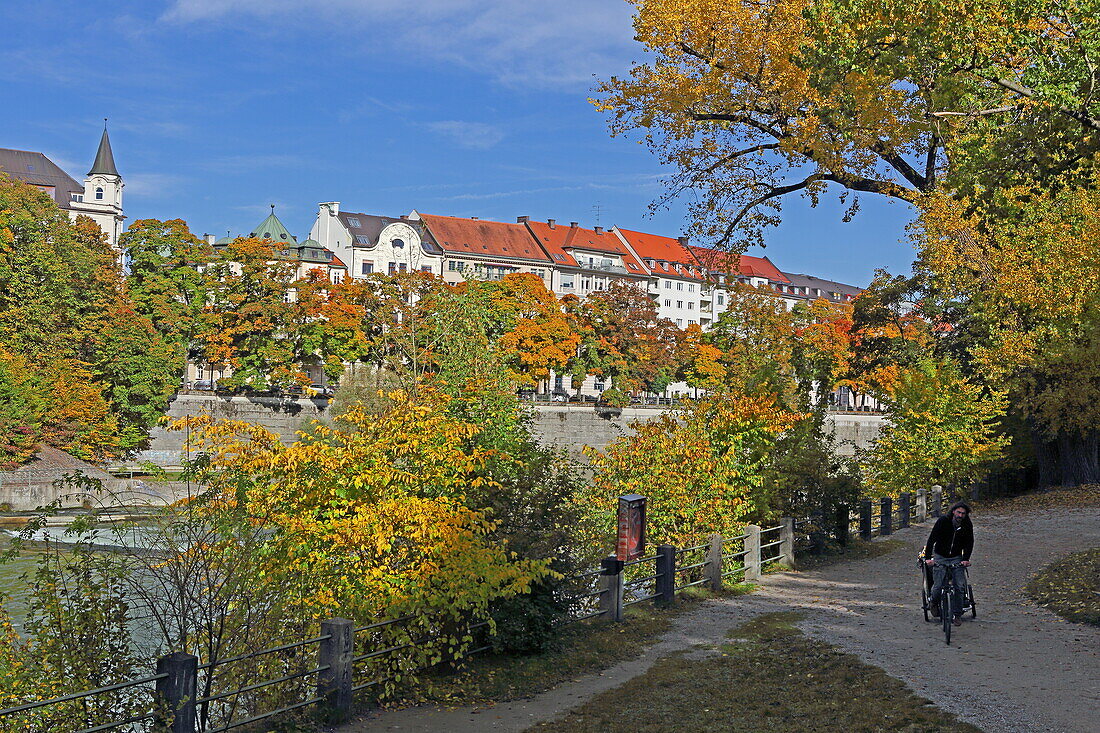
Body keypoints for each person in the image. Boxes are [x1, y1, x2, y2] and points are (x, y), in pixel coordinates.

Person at [924, 501, 974, 626]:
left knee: (959, 586)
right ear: (953, 511)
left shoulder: (967, 524)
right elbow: (932, 539)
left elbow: (969, 543)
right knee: (938, 584)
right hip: (940, 556)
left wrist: (966, 558)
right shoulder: (943, 521)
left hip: (956, 557)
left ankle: (957, 614)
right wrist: (928, 558)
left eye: (963, 513)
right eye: (958, 512)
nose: (960, 515)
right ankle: (933, 602)